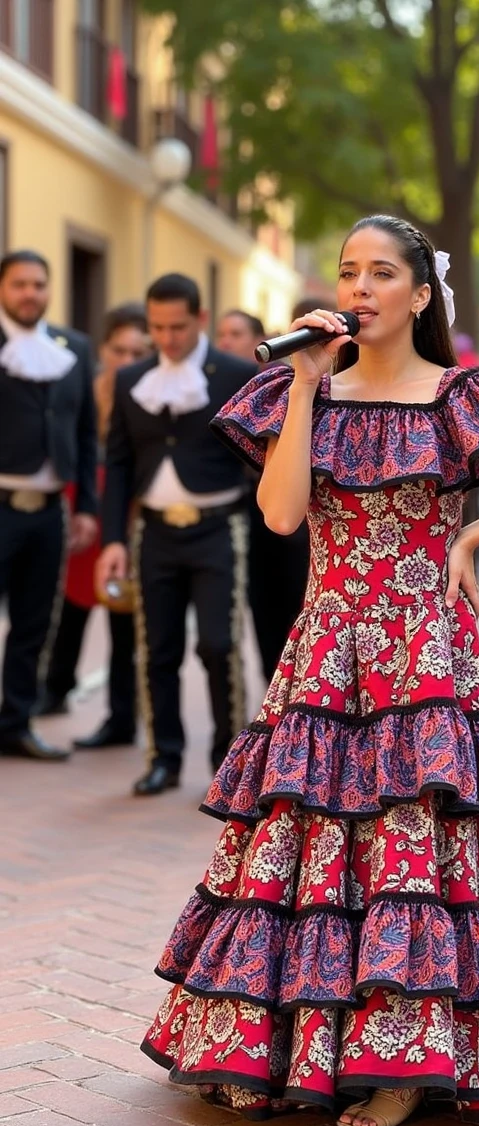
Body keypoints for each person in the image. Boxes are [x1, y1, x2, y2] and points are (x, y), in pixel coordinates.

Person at [140, 215, 479, 1126]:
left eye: (381, 273)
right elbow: (280, 517)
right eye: (348, 271)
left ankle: (402, 1063)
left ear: (420, 295)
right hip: (325, 640)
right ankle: (296, 1045)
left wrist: (472, 535)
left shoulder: (464, 394)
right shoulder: (303, 387)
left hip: (421, 650)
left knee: (408, 853)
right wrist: (308, 384)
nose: (358, 288)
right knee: (305, 851)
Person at [97, 274, 256, 796]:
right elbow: (118, 463)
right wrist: (114, 540)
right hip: (154, 532)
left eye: (178, 327)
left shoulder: (236, 372)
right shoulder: (131, 378)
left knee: (218, 645)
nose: (166, 338)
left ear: (201, 320)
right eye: (157, 327)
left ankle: (228, 762)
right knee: (157, 648)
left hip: (218, 527)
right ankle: (163, 756)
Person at [36, 304, 149, 749]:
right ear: (104, 349)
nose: (126, 359)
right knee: (70, 605)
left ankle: (121, 717)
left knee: (124, 617)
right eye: (118, 350)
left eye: (136, 351)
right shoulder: (89, 389)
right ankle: (55, 688)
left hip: (130, 515)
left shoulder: (153, 390)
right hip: (88, 508)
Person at [0, 249, 98, 760]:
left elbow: (85, 433)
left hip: (49, 509)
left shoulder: (73, 347)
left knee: (35, 621)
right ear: (3, 288)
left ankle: (15, 723)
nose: (30, 293)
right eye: (19, 284)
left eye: (39, 284)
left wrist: (86, 505)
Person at [214, 305, 310, 682]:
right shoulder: (213, 382)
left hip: (294, 517)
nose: (226, 341)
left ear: (259, 341)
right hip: (248, 515)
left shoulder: (284, 380)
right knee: (261, 609)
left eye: (235, 334)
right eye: (222, 334)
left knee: (292, 604)